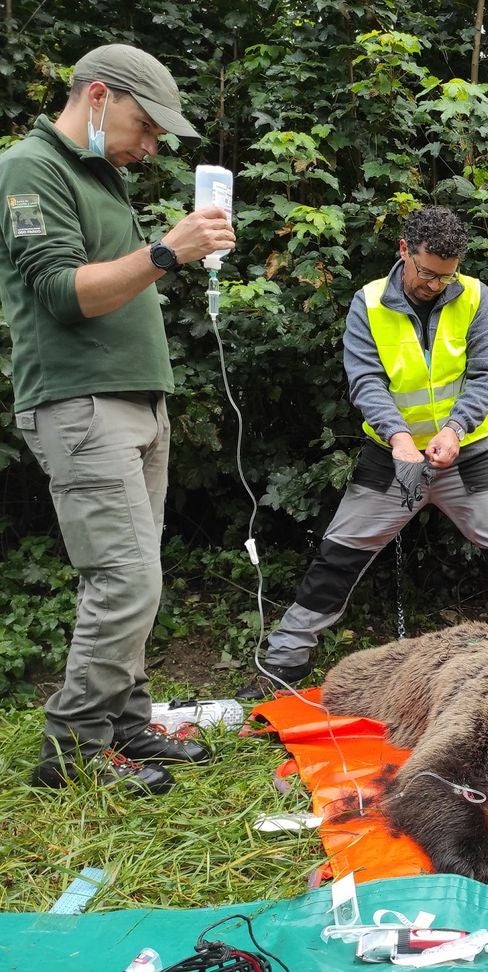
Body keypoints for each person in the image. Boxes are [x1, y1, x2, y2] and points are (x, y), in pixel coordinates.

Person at [0, 44, 236, 793]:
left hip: (133, 400)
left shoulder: (100, 173)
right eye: (145, 125)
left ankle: (127, 724)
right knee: (124, 581)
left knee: (139, 575)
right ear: (97, 97)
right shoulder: (29, 167)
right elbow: (64, 293)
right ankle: (70, 751)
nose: (152, 145)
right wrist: (166, 251)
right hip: (79, 403)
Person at [237, 205, 488, 699]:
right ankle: (282, 663)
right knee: (338, 557)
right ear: (404, 251)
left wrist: (455, 430)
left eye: (446, 276)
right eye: (427, 273)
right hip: (390, 461)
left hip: (469, 458)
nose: (435, 284)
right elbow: (365, 380)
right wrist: (398, 439)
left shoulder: (477, 297)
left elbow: (486, 375)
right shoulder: (368, 302)